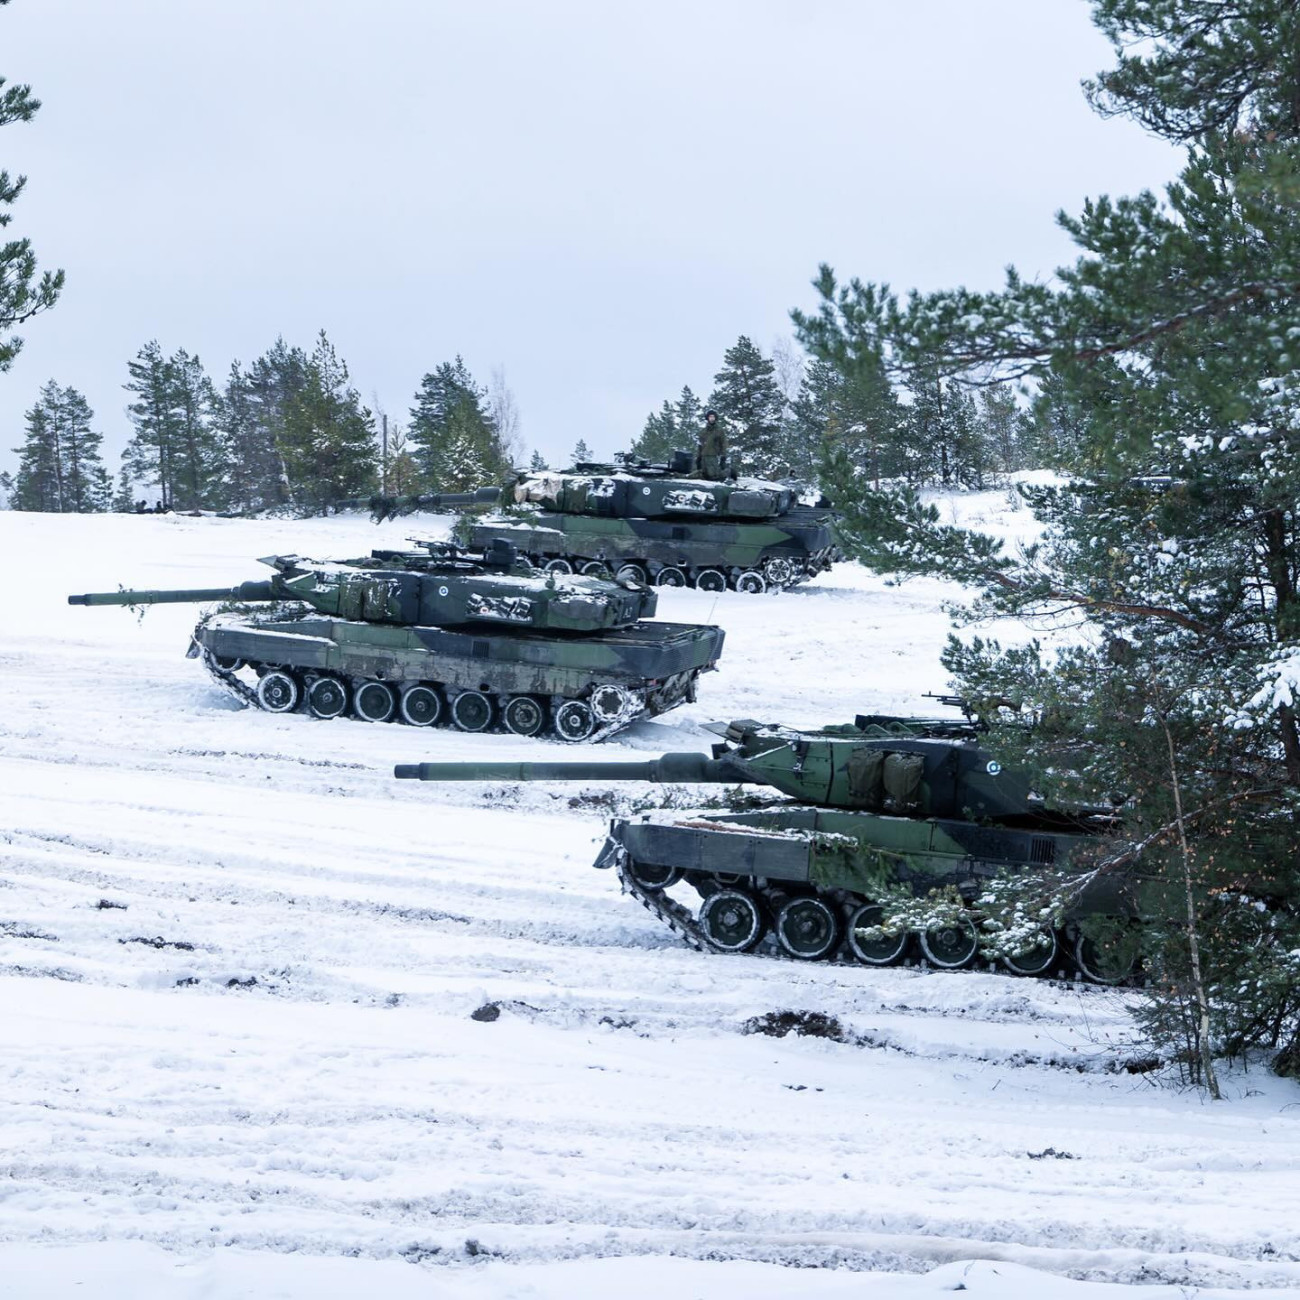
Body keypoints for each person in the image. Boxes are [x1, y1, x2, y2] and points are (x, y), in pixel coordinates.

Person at [697, 409, 727, 480]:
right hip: (703, 456)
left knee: (713, 475)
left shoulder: (719, 430)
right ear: (707, 418)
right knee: (701, 475)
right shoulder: (703, 431)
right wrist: (698, 457)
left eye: (713, 417)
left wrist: (723, 456)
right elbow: (700, 445)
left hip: (713, 456)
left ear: (715, 418)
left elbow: (723, 443)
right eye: (710, 417)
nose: (711, 418)